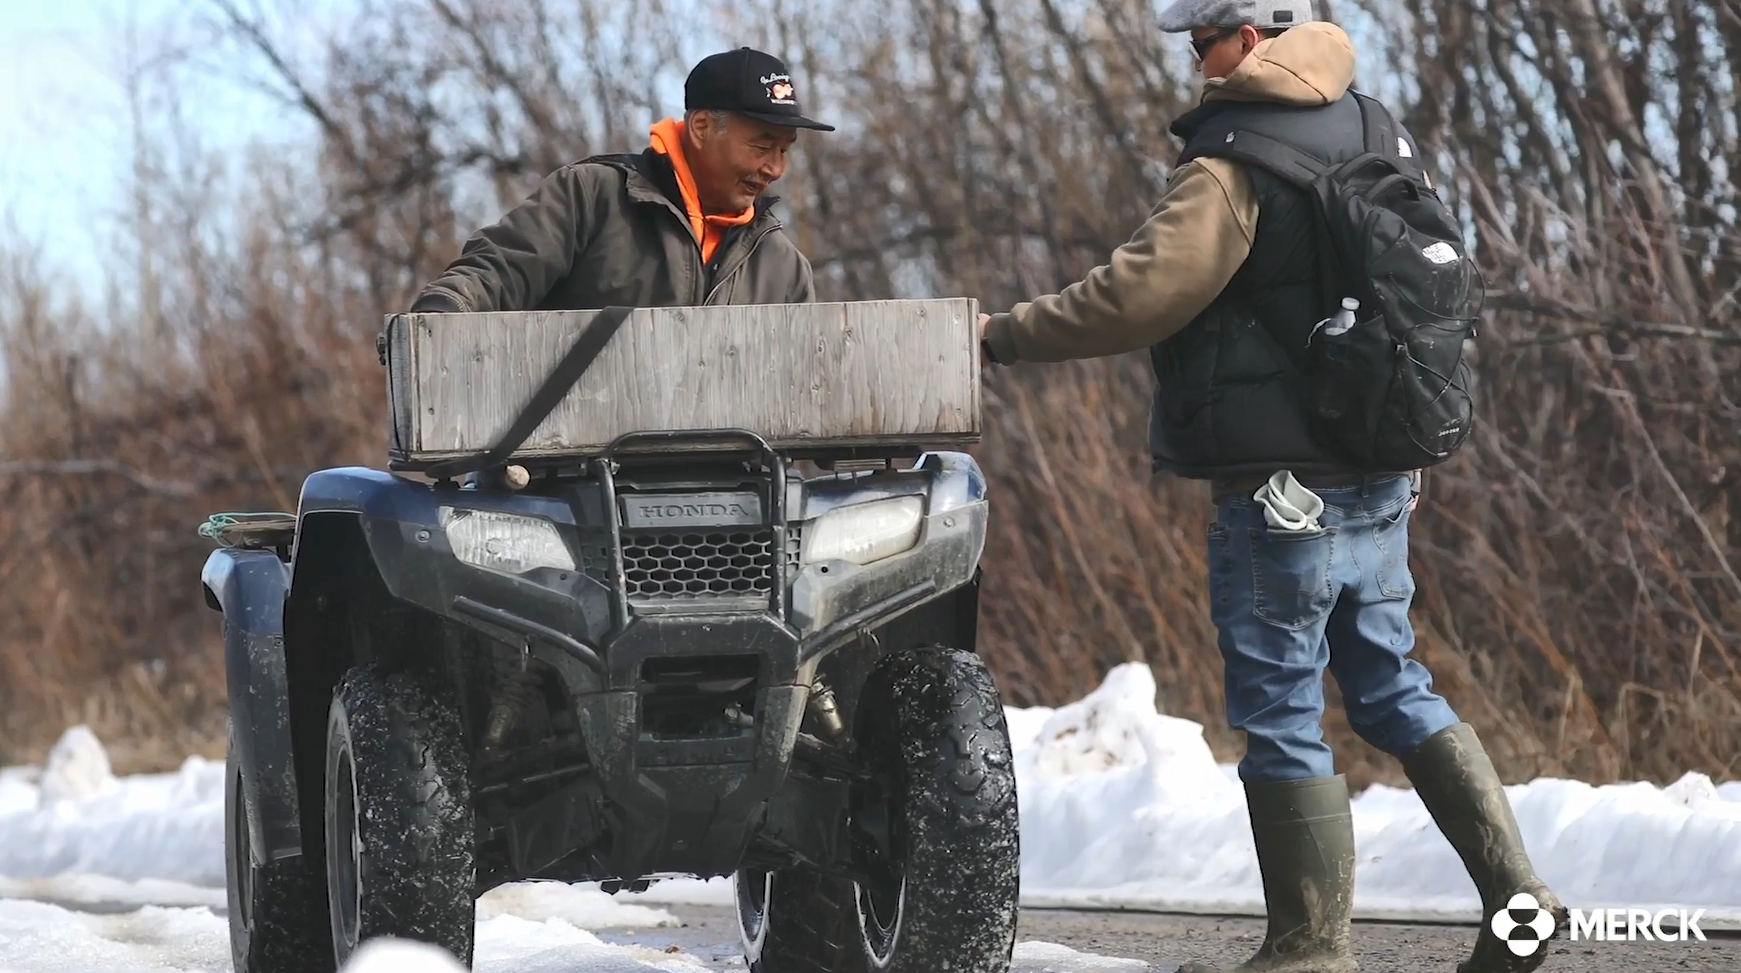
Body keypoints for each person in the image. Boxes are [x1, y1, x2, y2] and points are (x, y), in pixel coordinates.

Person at [976, 3, 1565, 972]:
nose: (1195, 66)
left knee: (1281, 704)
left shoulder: (1236, 157)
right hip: (1380, 465)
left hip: (1277, 487)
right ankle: (1520, 896)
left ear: (1249, 36)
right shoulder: (1373, 124)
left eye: (1202, 43)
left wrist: (1004, 333)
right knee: (1391, 681)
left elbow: (1143, 290)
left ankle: (1308, 946)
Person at [409, 46, 832, 314]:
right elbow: (497, 271)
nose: (775, 168)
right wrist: (443, 312)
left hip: (729, 462)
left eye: (784, 150)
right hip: (573, 455)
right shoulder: (591, 197)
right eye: (761, 147)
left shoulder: (783, 266)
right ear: (702, 127)